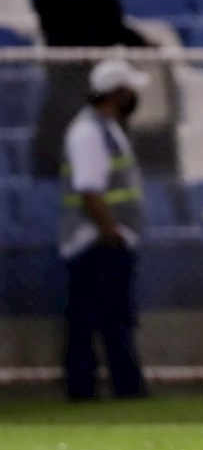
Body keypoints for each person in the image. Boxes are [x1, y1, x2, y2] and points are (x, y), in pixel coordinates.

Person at [32, 0, 151, 178]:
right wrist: (78, 46)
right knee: (77, 129)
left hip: (96, 61)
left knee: (108, 130)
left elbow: (108, 17)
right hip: (70, 66)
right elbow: (57, 16)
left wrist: (136, 41)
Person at [59, 59, 150, 400]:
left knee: (113, 320)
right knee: (96, 322)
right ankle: (93, 391)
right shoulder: (89, 132)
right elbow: (89, 190)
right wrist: (110, 232)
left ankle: (122, 388)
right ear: (118, 93)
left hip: (106, 241)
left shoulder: (107, 128)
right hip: (94, 243)